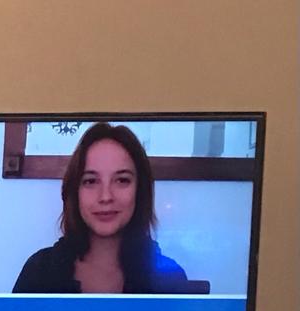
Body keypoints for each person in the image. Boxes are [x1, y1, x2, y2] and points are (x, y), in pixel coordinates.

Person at [13, 122, 192, 294]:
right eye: (91, 181)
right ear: (75, 191)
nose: (105, 196)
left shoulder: (170, 278)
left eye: (122, 180)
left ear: (140, 190)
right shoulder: (39, 272)